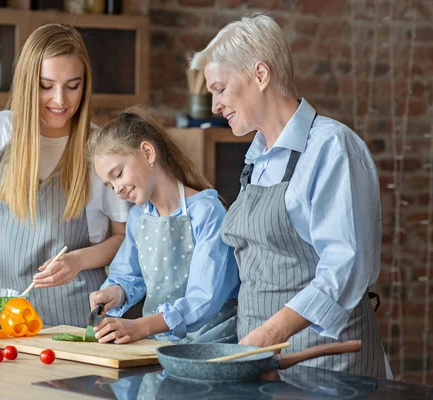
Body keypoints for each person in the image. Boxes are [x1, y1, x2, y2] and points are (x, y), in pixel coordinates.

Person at [190, 14, 391, 377]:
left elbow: (345, 266)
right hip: (263, 361)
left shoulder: (331, 148)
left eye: (220, 88)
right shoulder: (257, 158)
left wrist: (269, 332)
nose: (215, 105)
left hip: (327, 364)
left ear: (261, 75)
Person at [0, 24, 130, 328]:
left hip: (76, 319)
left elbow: (122, 237)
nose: (60, 100)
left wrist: (78, 261)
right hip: (2, 317)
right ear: (29, 82)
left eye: (73, 86)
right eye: (46, 85)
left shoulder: (99, 149)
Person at [87, 108, 239, 344]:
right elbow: (128, 275)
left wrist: (141, 326)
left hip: (213, 346)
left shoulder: (207, 212)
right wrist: (113, 293)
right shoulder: (138, 217)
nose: (116, 189)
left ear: (147, 153)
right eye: (109, 185)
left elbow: (204, 299)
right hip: (159, 345)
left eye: (118, 174)